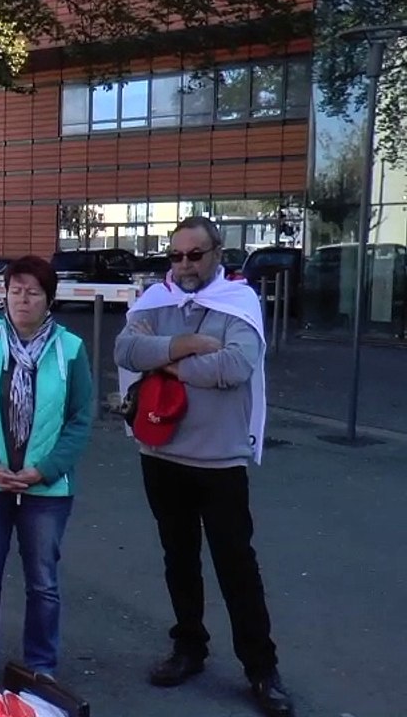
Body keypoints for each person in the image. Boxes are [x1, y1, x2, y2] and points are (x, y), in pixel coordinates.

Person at [114, 216, 293, 717]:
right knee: (179, 558)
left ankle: (261, 669)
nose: (185, 265)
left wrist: (162, 359)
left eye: (195, 254)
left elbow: (236, 366)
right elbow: (125, 348)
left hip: (219, 460)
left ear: (217, 253)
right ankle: (188, 647)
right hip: (161, 453)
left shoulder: (239, 304)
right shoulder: (155, 302)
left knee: (237, 566)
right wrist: (188, 348)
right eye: (176, 256)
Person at [0, 255, 94, 678]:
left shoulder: (71, 348)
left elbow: (81, 417)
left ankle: (41, 666)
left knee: (43, 584)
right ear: (4, 295)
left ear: (49, 300)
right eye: (15, 290)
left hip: (46, 489)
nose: (23, 299)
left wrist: (45, 469)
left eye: (33, 292)